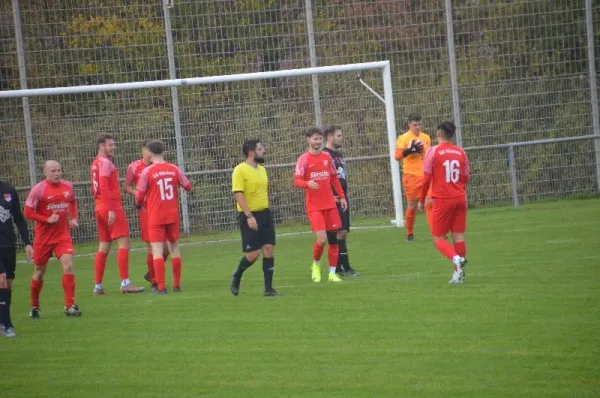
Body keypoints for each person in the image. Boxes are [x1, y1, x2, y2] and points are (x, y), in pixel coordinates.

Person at [24, 160, 82, 318]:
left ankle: (70, 306)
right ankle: (34, 306)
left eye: (59, 170)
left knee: (68, 265)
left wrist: (74, 218)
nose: (57, 173)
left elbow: (72, 202)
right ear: (45, 173)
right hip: (43, 238)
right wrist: (46, 219)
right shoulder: (38, 190)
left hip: (62, 236)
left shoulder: (67, 186)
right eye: (53, 171)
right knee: (39, 272)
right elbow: (28, 212)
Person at [135, 139, 192, 294]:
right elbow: (188, 186)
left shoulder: (147, 171)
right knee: (174, 247)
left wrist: (138, 205)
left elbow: (139, 195)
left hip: (156, 216)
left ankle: (161, 287)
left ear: (150, 153)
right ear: (163, 152)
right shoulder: (174, 168)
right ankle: (177, 284)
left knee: (157, 250)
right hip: (172, 214)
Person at [91, 133, 144, 295]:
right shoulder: (105, 163)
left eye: (113, 145)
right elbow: (105, 187)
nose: (113, 147)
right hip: (110, 205)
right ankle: (125, 283)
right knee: (124, 244)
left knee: (104, 246)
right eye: (110, 145)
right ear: (101, 146)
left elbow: (97, 188)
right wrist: (111, 209)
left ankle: (98, 286)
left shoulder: (95, 163)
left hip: (99, 206)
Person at [418, 122, 470, 284]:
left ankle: (456, 259)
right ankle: (458, 275)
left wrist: (421, 200)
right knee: (458, 235)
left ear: (438, 133)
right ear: (452, 135)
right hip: (460, 197)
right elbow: (466, 176)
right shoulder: (461, 152)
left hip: (442, 199)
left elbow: (426, 179)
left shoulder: (433, 151)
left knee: (438, 237)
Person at [295, 127, 347, 283]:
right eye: (315, 139)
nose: (317, 142)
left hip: (330, 204)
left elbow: (334, 178)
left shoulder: (327, 157)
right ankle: (316, 265)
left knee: (333, 239)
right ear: (308, 140)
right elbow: (297, 181)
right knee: (322, 239)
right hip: (314, 206)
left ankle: (332, 273)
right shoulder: (303, 159)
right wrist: (307, 183)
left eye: (319, 139)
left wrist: (342, 197)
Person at [230, 139, 281, 297]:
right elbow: (238, 193)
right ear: (251, 152)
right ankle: (237, 275)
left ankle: (268, 289)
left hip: (265, 213)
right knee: (253, 255)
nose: (263, 151)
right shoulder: (240, 170)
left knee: (269, 249)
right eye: (260, 149)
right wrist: (249, 215)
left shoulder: (262, 170)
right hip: (250, 215)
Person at [124, 139, 169, 292]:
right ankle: (155, 281)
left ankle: (152, 273)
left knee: (167, 248)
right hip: (146, 210)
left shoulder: (160, 166)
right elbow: (126, 186)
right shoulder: (134, 167)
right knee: (152, 246)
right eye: (147, 150)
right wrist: (137, 193)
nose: (150, 153)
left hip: (161, 210)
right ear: (143, 150)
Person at [323, 126, 359, 277]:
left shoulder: (338, 155)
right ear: (330, 137)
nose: (341, 137)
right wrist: (330, 195)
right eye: (339, 135)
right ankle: (344, 267)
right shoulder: (325, 155)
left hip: (342, 197)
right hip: (334, 199)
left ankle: (338, 267)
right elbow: (323, 178)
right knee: (339, 232)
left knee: (342, 232)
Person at [0, 180, 33, 337]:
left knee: (8, 283)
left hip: (8, 244)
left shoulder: (8, 190)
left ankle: (2, 320)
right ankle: (7, 325)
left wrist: (27, 242)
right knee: (1, 279)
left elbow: (18, 218)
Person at [395, 113, 433, 241]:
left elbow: (430, 155)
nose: (417, 127)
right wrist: (410, 150)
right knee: (412, 206)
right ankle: (409, 233)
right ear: (409, 124)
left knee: (430, 203)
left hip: (426, 175)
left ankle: (436, 231)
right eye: (414, 125)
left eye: (419, 124)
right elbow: (397, 156)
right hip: (410, 176)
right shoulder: (403, 138)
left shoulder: (426, 137)